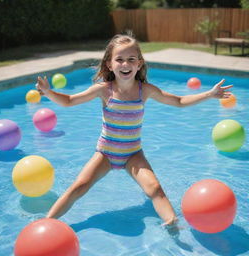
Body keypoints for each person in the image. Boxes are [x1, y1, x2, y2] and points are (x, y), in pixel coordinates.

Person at [36, 34, 232, 226]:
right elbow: (69, 101)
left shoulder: (144, 90)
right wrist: (47, 92)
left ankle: (172, 223)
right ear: (109, 64)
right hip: (106, 152)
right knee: (79, 186)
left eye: (131, 59)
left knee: (155, 188)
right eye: (119, 59)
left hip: (132, 154)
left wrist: (210, 94)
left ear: (139, 64)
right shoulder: (104, 89)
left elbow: (178, 101)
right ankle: (46, 223)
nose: (125, 64)